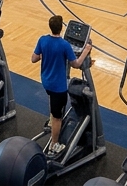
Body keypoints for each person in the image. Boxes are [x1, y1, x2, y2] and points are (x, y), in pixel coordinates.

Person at [32, 15, 93, 157]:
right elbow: (76, 64)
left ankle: (51, 121)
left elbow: (34, 58)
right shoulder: (64, 45)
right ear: (61, 28)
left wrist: (46, 55)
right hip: (58, 86)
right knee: (58, 116)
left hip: (46, 81)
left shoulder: (42, 39)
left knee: (53, 103)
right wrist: (86, 50)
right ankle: (54, 144)